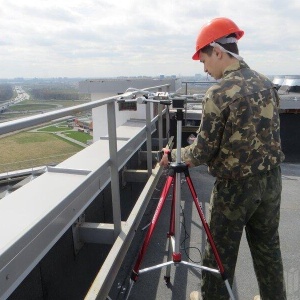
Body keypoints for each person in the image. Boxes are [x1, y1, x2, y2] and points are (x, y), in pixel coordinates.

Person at [160, 17, 286, 300]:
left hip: (235, 189)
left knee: (219, 254)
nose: (204, 69)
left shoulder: (218, 93)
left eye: (204, 60)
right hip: (271, 181)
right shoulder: (266, 83)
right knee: (268, 248)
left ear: (217, 51)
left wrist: (173, 155)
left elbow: (202, 152)